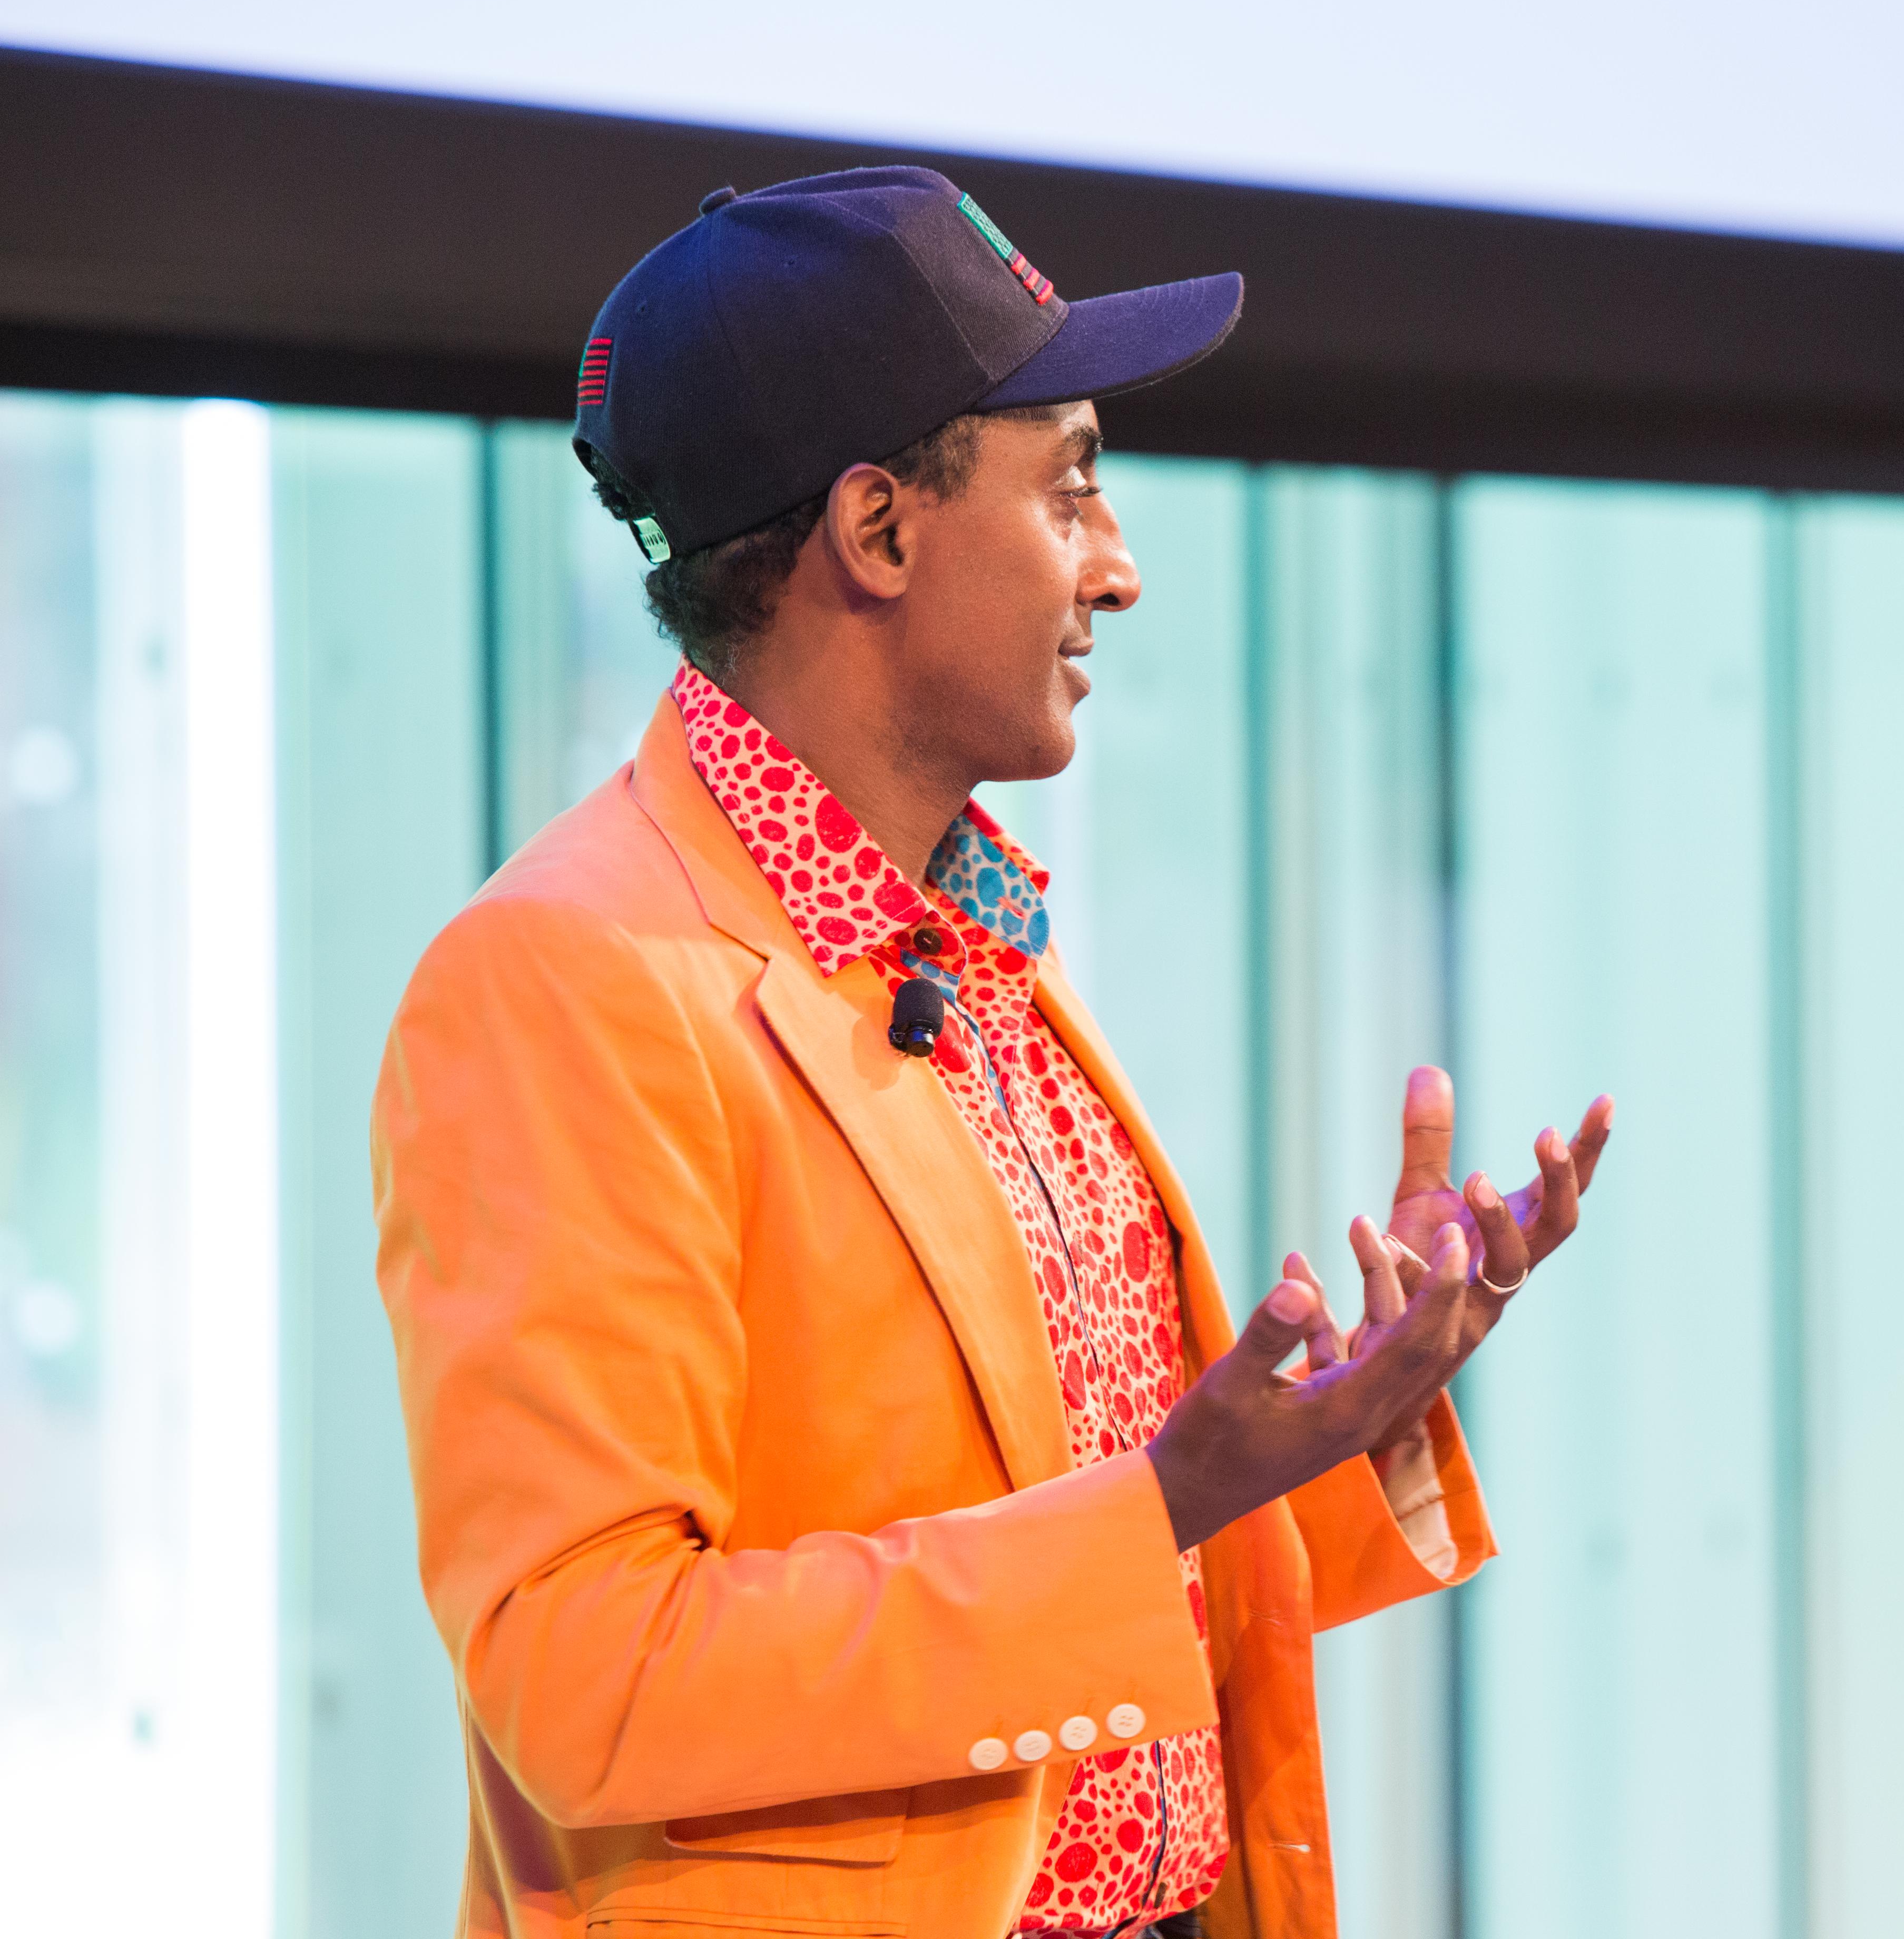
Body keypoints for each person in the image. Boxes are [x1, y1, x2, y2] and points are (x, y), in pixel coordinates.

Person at [372, 166, 1611, 1939]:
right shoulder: (567, 977)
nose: (1118, 565)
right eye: (1074, 482)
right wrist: (1170, 1492)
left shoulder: (965, 938)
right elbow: (590, 1680)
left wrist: (1346, 1415)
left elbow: (1075, 1523)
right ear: (878, 533)